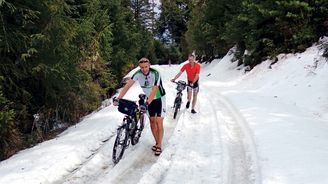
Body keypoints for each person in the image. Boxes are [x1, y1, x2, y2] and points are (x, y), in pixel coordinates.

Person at [113, 57, 166, 156]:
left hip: (159, 98)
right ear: (139, 67)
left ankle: (159, 145)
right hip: (148, 99)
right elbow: (127, 86)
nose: (144, 69)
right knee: (152, 122)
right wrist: (118, 98)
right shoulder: (137, 74)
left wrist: (146, 103)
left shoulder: (155, 73)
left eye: (146, 67)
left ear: (149, 65)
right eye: (142, 67)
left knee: (158, 121)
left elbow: (154, 90)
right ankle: (157, 142)